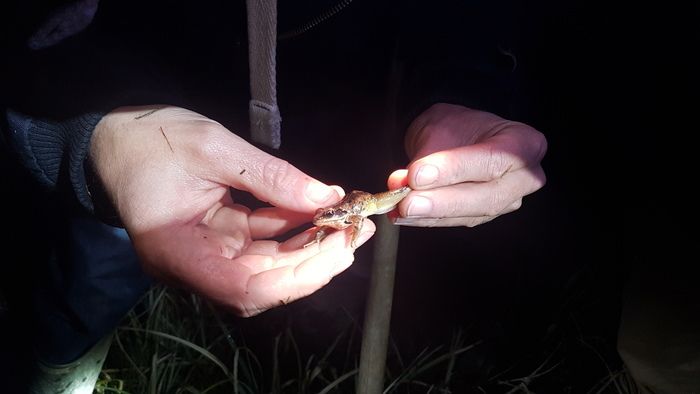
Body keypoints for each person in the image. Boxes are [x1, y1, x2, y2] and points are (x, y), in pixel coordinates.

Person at [0, 0, 550, 392]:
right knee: (95, 267)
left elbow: (472, 16)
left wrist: (463, 90)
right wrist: (100, 129)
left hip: (349, 116)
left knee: (312, 269)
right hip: (139, 107)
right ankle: (56, 360)